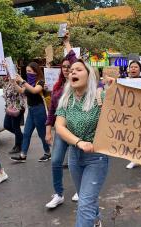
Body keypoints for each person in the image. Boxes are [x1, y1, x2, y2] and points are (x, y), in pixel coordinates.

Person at [55, 59, 110, 227]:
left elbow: (122, 111)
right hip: (74, 156)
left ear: (89, 75)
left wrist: (115, 90)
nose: (72, 73)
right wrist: (79, 142)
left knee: (85, 202)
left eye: (78, 69)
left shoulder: (100, 96)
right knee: (87, 198)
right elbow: (60, 127)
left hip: (97, 158)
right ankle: (96, 222)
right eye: (71, 70)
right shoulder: (66, 99)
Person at [45, 33, 79, 208]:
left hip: (77, 129)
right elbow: (51, 111)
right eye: (64, 67)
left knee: (76, 163)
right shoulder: (57, 88)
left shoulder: (78, 84)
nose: (67, 69)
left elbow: (75, 60)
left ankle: (81, 190)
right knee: (56, 161)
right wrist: (48, 130)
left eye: (69, 66)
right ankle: (58, 194)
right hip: (60, 130)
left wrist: (66, 43)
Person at [10, 62, 51, 162]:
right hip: (31, 110)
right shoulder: (29, 82)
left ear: (35, 71)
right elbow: (21, 91)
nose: (28, 73)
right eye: (26, 71)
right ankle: (23, 155)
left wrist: (22, 81)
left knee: (42, 134)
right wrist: (13, 82)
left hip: (39, 110)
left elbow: (34, 91)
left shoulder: (40, 82)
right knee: (27, 133)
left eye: (30, 71)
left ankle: (47, 152)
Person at [124, 60, 141, 169]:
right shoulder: (124, 81)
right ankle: (133, 159)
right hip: (129, 113)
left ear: (140, 70)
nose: (133, 69)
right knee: (131, 137)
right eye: (132, 67)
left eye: (136, 67)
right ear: (129, 69)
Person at [2, 74, 25, 155]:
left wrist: (14, 82)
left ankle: (18, 146)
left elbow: (19, 92)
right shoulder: (6, 81)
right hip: (10, 107)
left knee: (15, 127)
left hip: (17, 107)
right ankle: (22, 137)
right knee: (6, 125)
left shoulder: (17, 80)